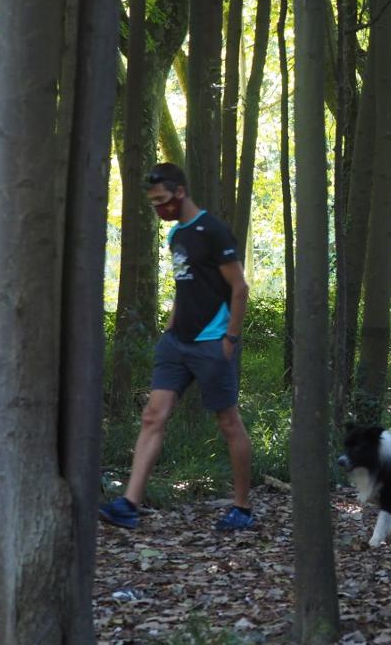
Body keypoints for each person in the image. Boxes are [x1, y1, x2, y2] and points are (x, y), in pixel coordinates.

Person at [99, 163, 256, 531]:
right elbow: (186, 287)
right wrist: (170, 329)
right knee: (153, 416)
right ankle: (129, 505)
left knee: (229, 422)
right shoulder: (176, 236)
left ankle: (242, 508)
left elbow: (240, 288)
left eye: (163, 201)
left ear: (180, 193)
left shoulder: (213, 231)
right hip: (176, 344)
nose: (159, 209)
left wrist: (230, 340)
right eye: (153, 203)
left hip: (212, 344)